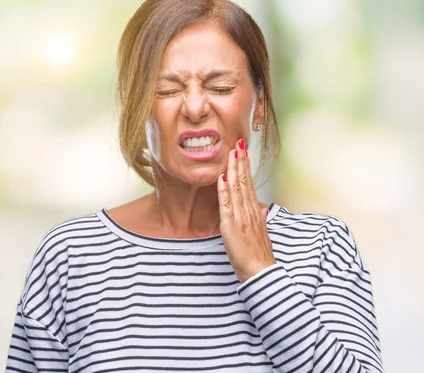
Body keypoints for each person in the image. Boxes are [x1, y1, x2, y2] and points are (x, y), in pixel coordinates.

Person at [6, 0, 384, 372]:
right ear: (136, 107)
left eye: (219, 86)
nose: (194, 107)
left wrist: (260, 271)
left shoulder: (322, 247)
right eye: (167, 90)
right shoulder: (71, 257)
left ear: (260, 106)